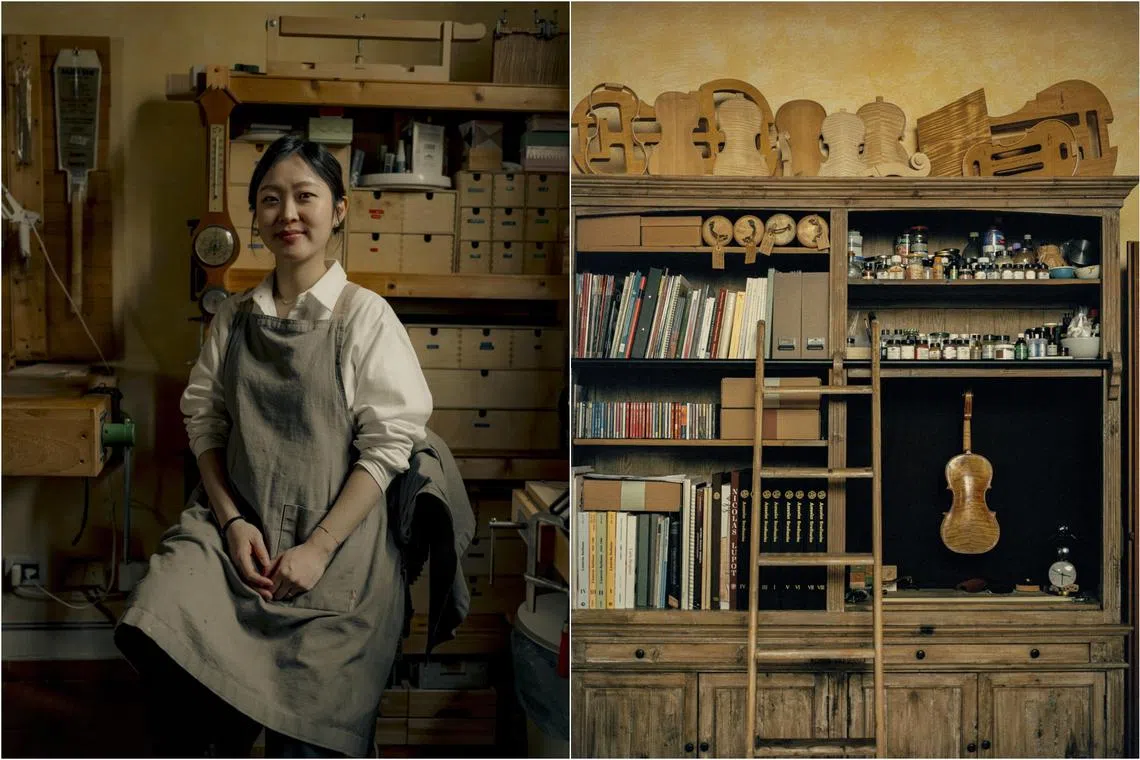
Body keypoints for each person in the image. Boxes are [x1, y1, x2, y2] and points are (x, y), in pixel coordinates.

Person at [115, 135, 433, 757]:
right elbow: (204, 424)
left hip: (338, 550)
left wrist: (317, 548)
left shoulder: (364, 318)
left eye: (305, 196)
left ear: (338, 209)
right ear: (255, 216)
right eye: (270, 200)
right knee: (164, 616)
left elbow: (389, 447)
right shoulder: (231, 318)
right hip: (240, 532)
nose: (288, 214)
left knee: (309, 732)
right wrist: (232, 521)